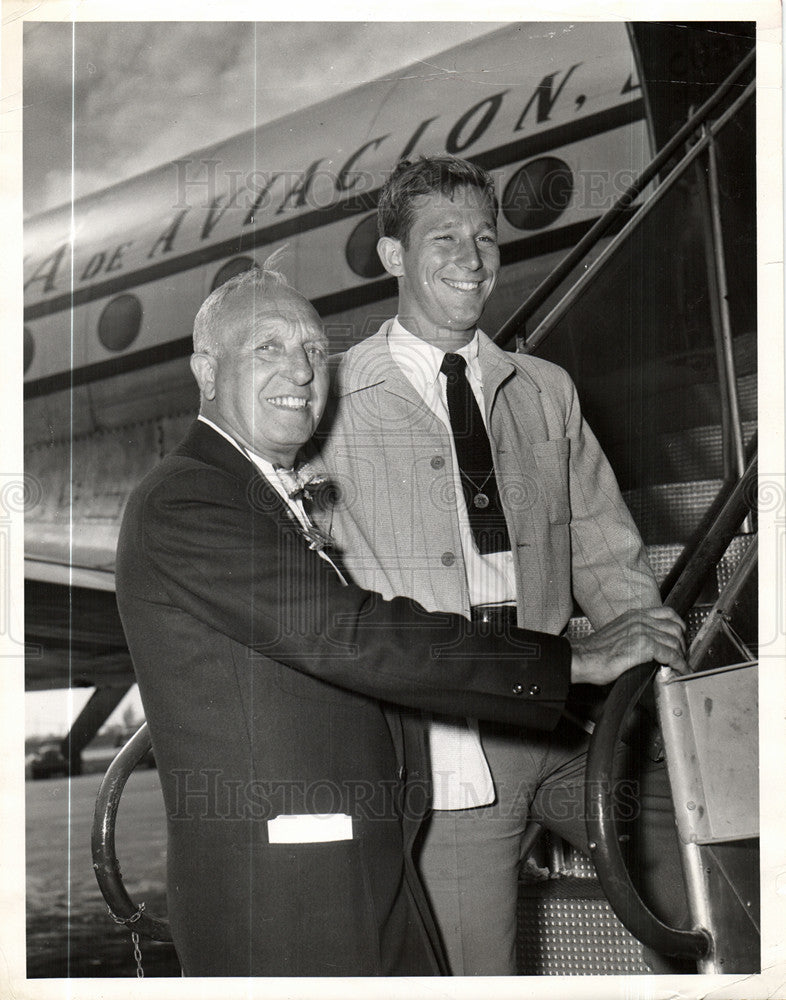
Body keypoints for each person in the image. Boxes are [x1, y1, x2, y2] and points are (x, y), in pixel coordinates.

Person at [115, 263, 685, 977]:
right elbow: (350, 634)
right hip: (290, 898)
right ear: (206, 370)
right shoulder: (187, 500)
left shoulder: (258, 494)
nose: (301, 370)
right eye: (268, 347)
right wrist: (569, 660)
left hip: (358, 864)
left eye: (315, 351)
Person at [313, 155, 687, 975]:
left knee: (719, 877)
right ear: (392, 257)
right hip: (446, 743)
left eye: (485, 237)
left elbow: (604, 543)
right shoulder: (329, 400)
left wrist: (649, 674)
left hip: (566, 724)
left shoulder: (546, 390)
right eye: (443, 237)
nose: (472, 258)